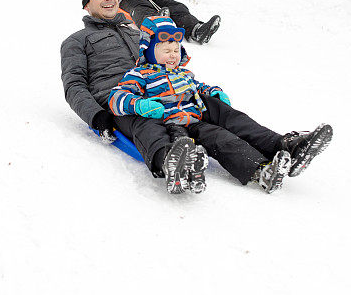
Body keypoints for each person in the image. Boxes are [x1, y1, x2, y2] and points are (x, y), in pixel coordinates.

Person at [60, 0, 333, 194]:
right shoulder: (76, 41)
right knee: (148, 125)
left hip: (167, 89)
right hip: (125, 102)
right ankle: (172, 161)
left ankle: (284, 147)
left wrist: (197, 88)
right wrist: (97, 117)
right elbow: (73, 85)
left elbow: (168, 58)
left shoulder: (137, 33)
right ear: (87, 4)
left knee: (218, 109)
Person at [108, 16, 300, 194]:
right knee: (178, 143)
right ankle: (178, 167)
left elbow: (200, 87)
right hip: (166, 123)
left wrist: (214, 92)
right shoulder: (140, 74)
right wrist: (139, 105)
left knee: (223, 139)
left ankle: (262, 170)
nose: (173, 55)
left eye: (176, 50)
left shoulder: (184, 74)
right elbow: (117, 97)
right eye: (166, 51)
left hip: (194, 121)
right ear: (149, 50)